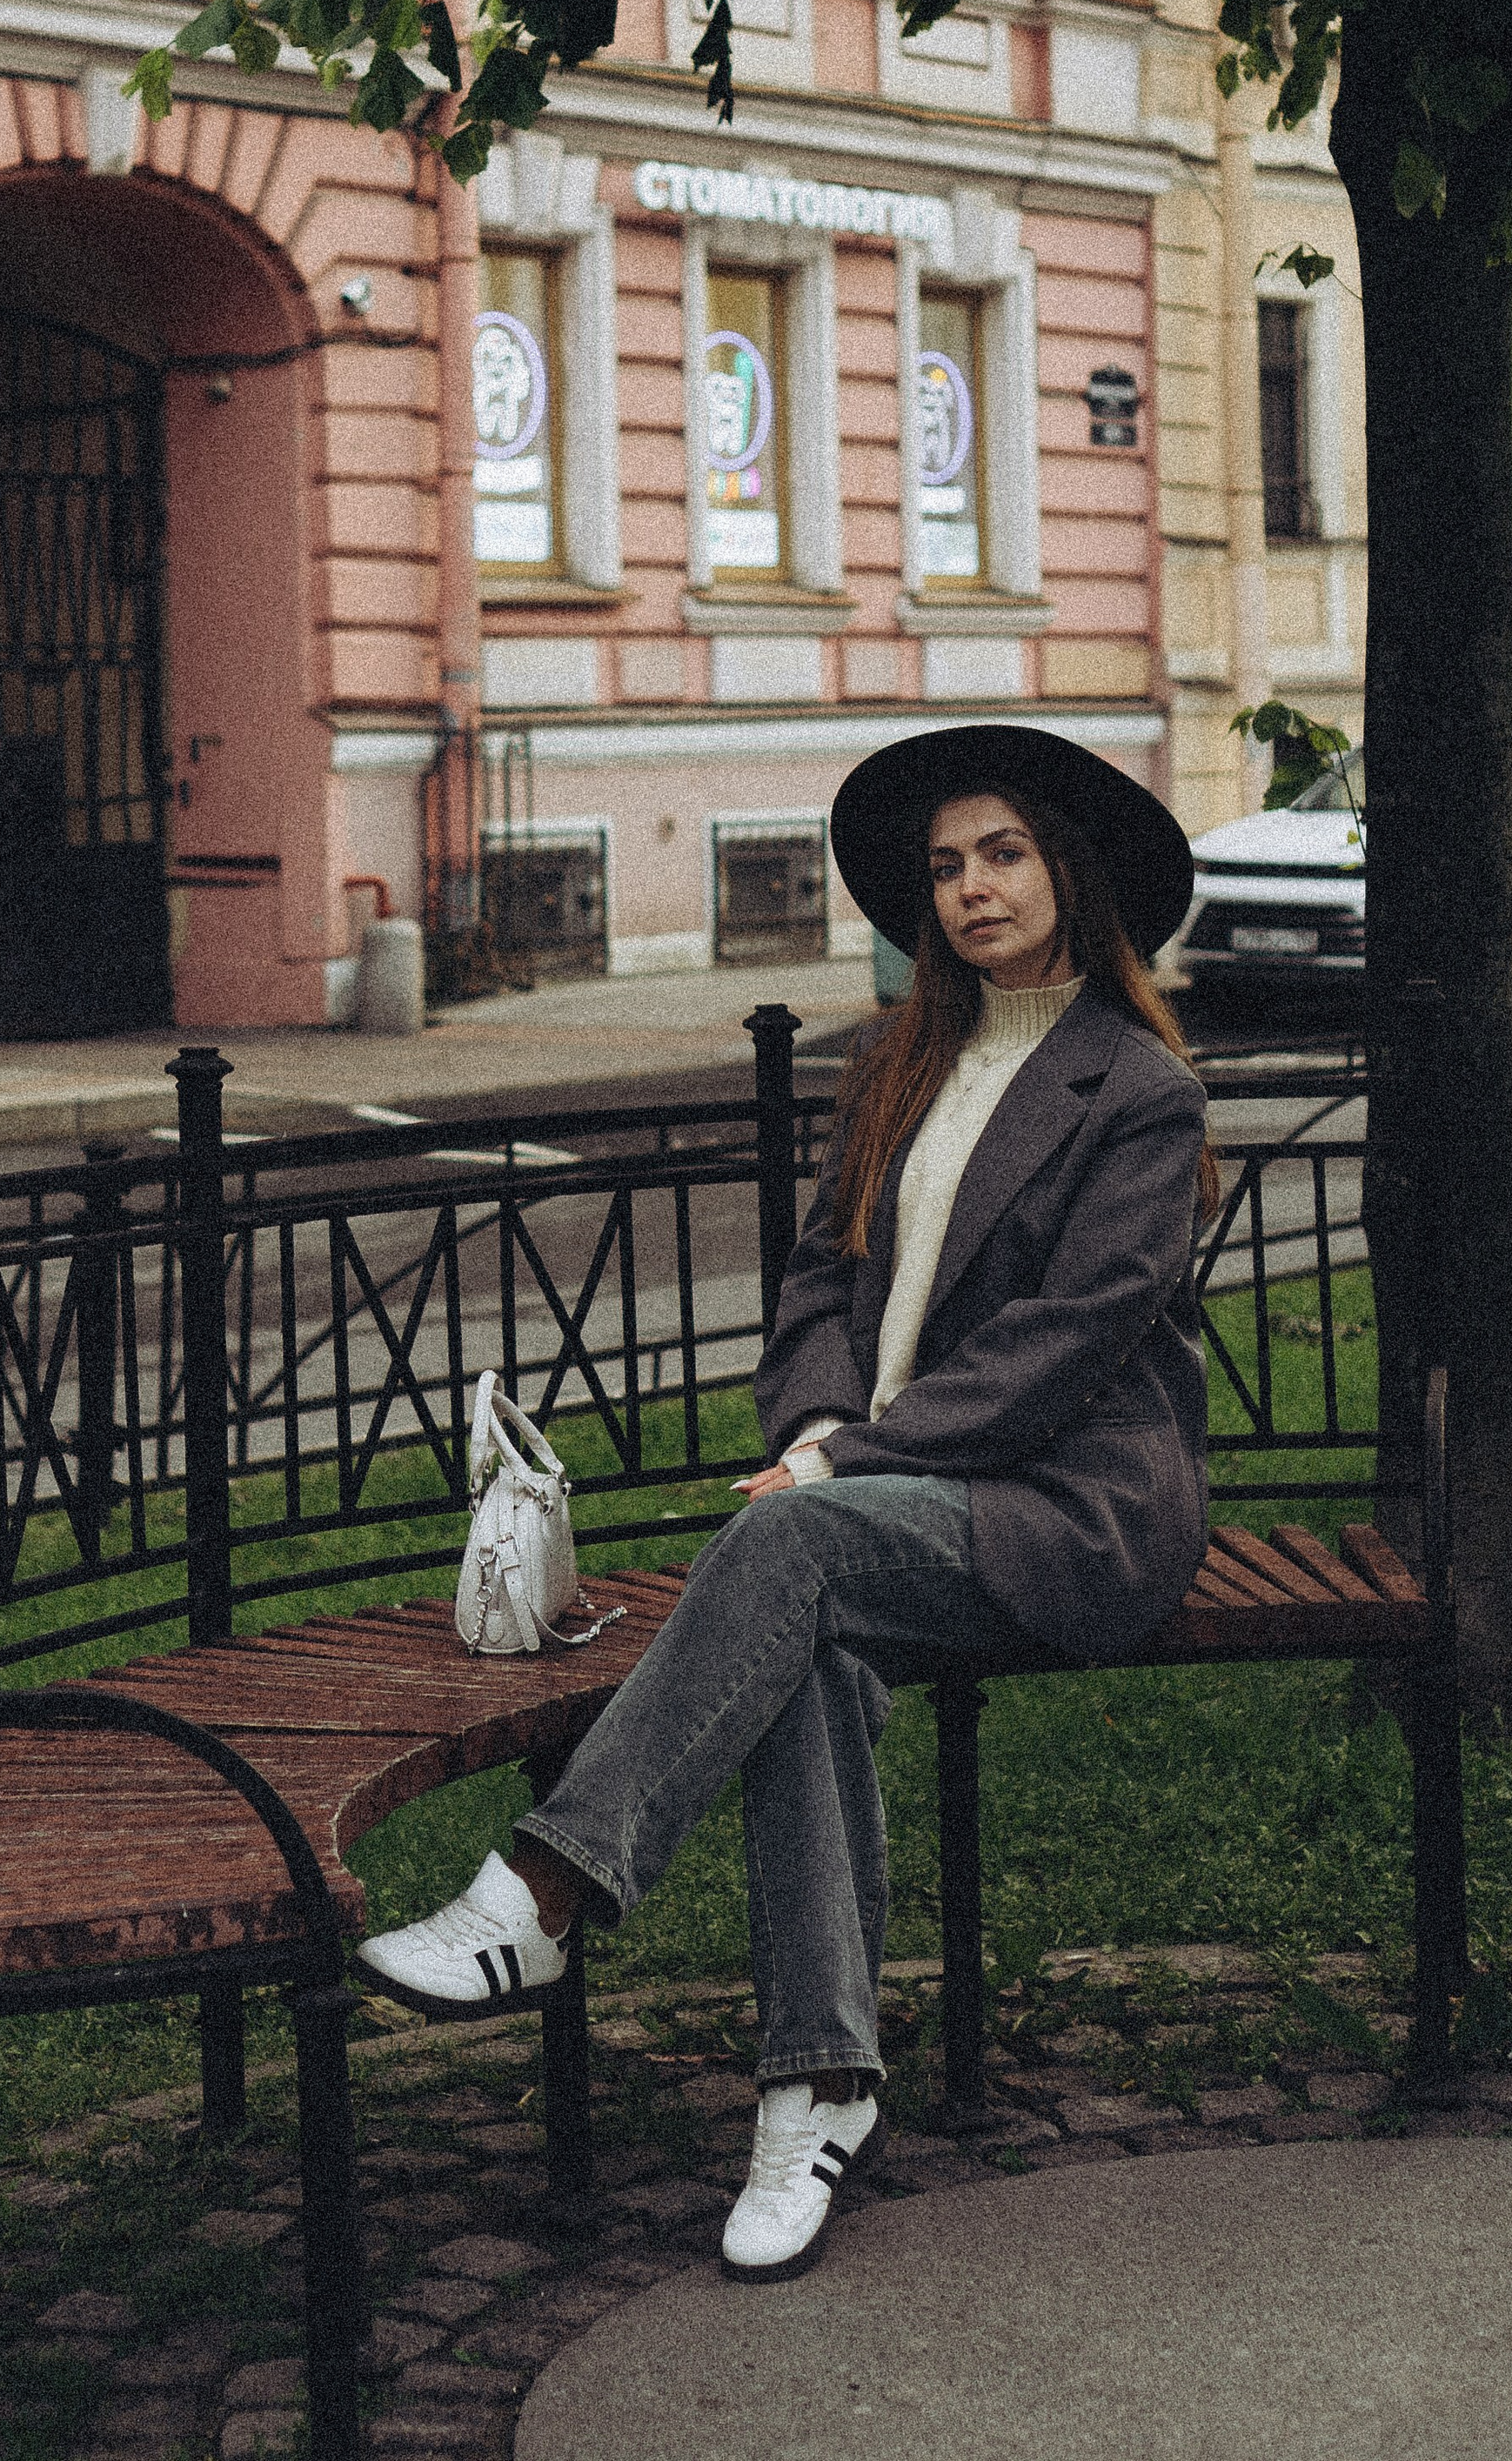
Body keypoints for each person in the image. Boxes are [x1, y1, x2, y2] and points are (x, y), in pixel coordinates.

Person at [356, 725, 1219, 2283]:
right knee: (803, 1637)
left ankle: (543, 1890)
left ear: (1072, 873)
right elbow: (825, 1277)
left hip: (1069, 1506)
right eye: (947, 866)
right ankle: (815, 2088)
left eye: (1005, 854)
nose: (970, 888)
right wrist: (822, 1414)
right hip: (890, 1498)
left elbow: (1073, 1340)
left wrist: (842, 1463)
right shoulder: (899, 1065)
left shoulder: (1135, 1089)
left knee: (793, 1545)